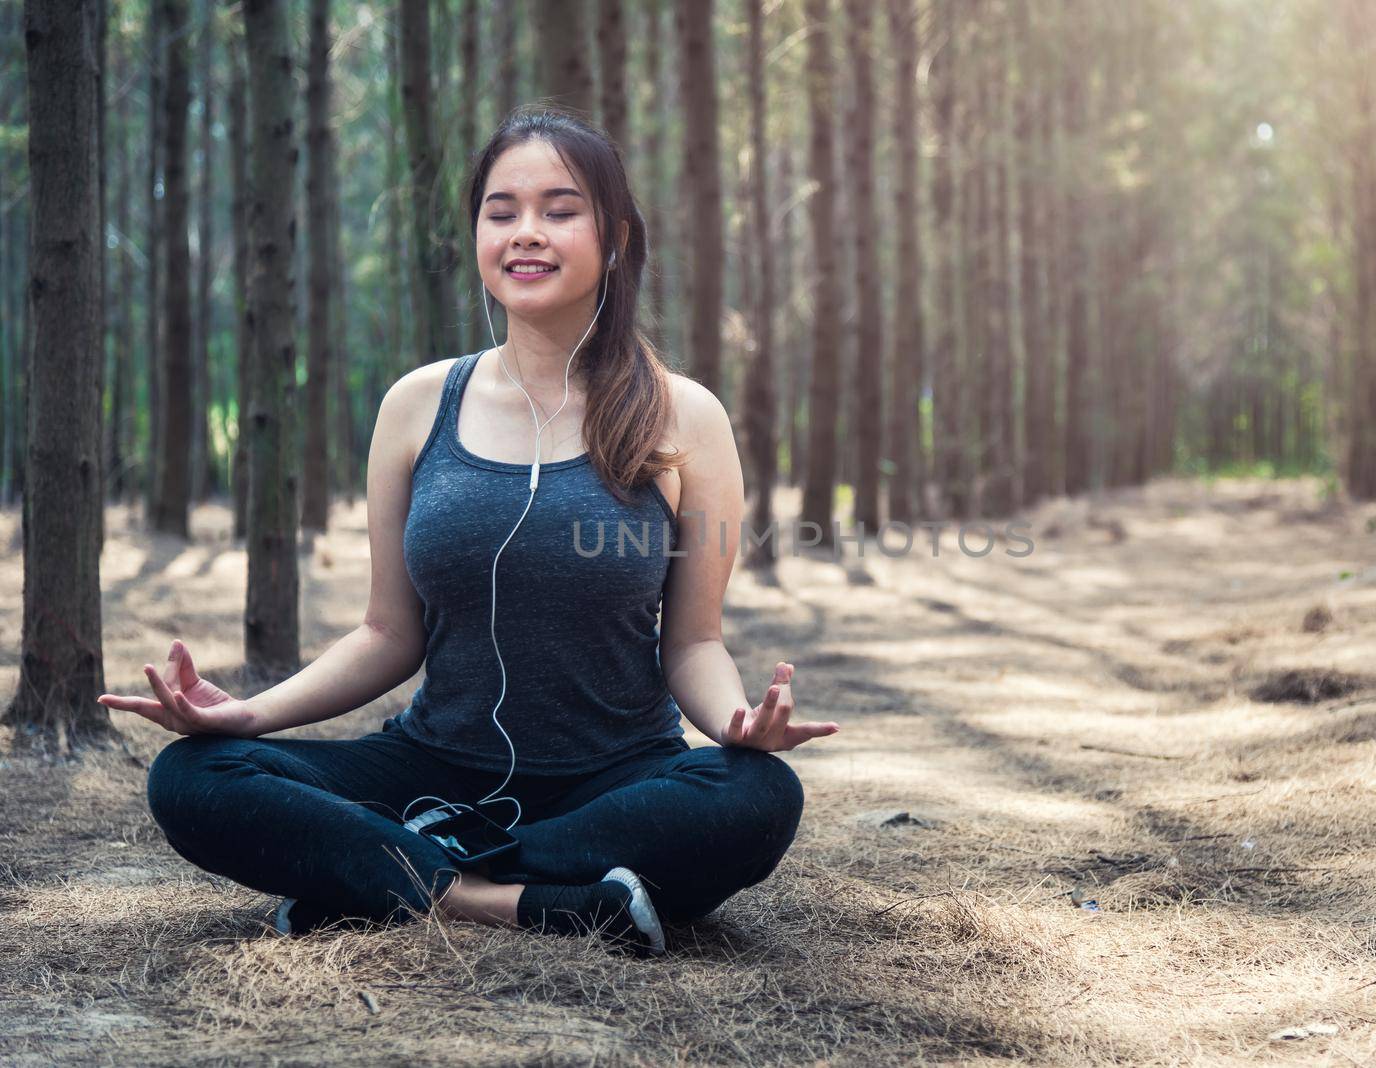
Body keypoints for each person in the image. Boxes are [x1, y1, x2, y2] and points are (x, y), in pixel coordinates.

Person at [97, 106, 841, 957]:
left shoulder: (685, 417)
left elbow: (693, 645)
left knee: (757, 796)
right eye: (502, 211)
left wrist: (737, 725)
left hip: (615, 780)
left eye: (560, 210)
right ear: (478, 235)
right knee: (194, 775)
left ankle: (390, 882)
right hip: (431, 773)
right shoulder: (417, 406)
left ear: (618, 237)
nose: (527, 232)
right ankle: (532, 902)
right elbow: (387, 633)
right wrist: (247, 716)